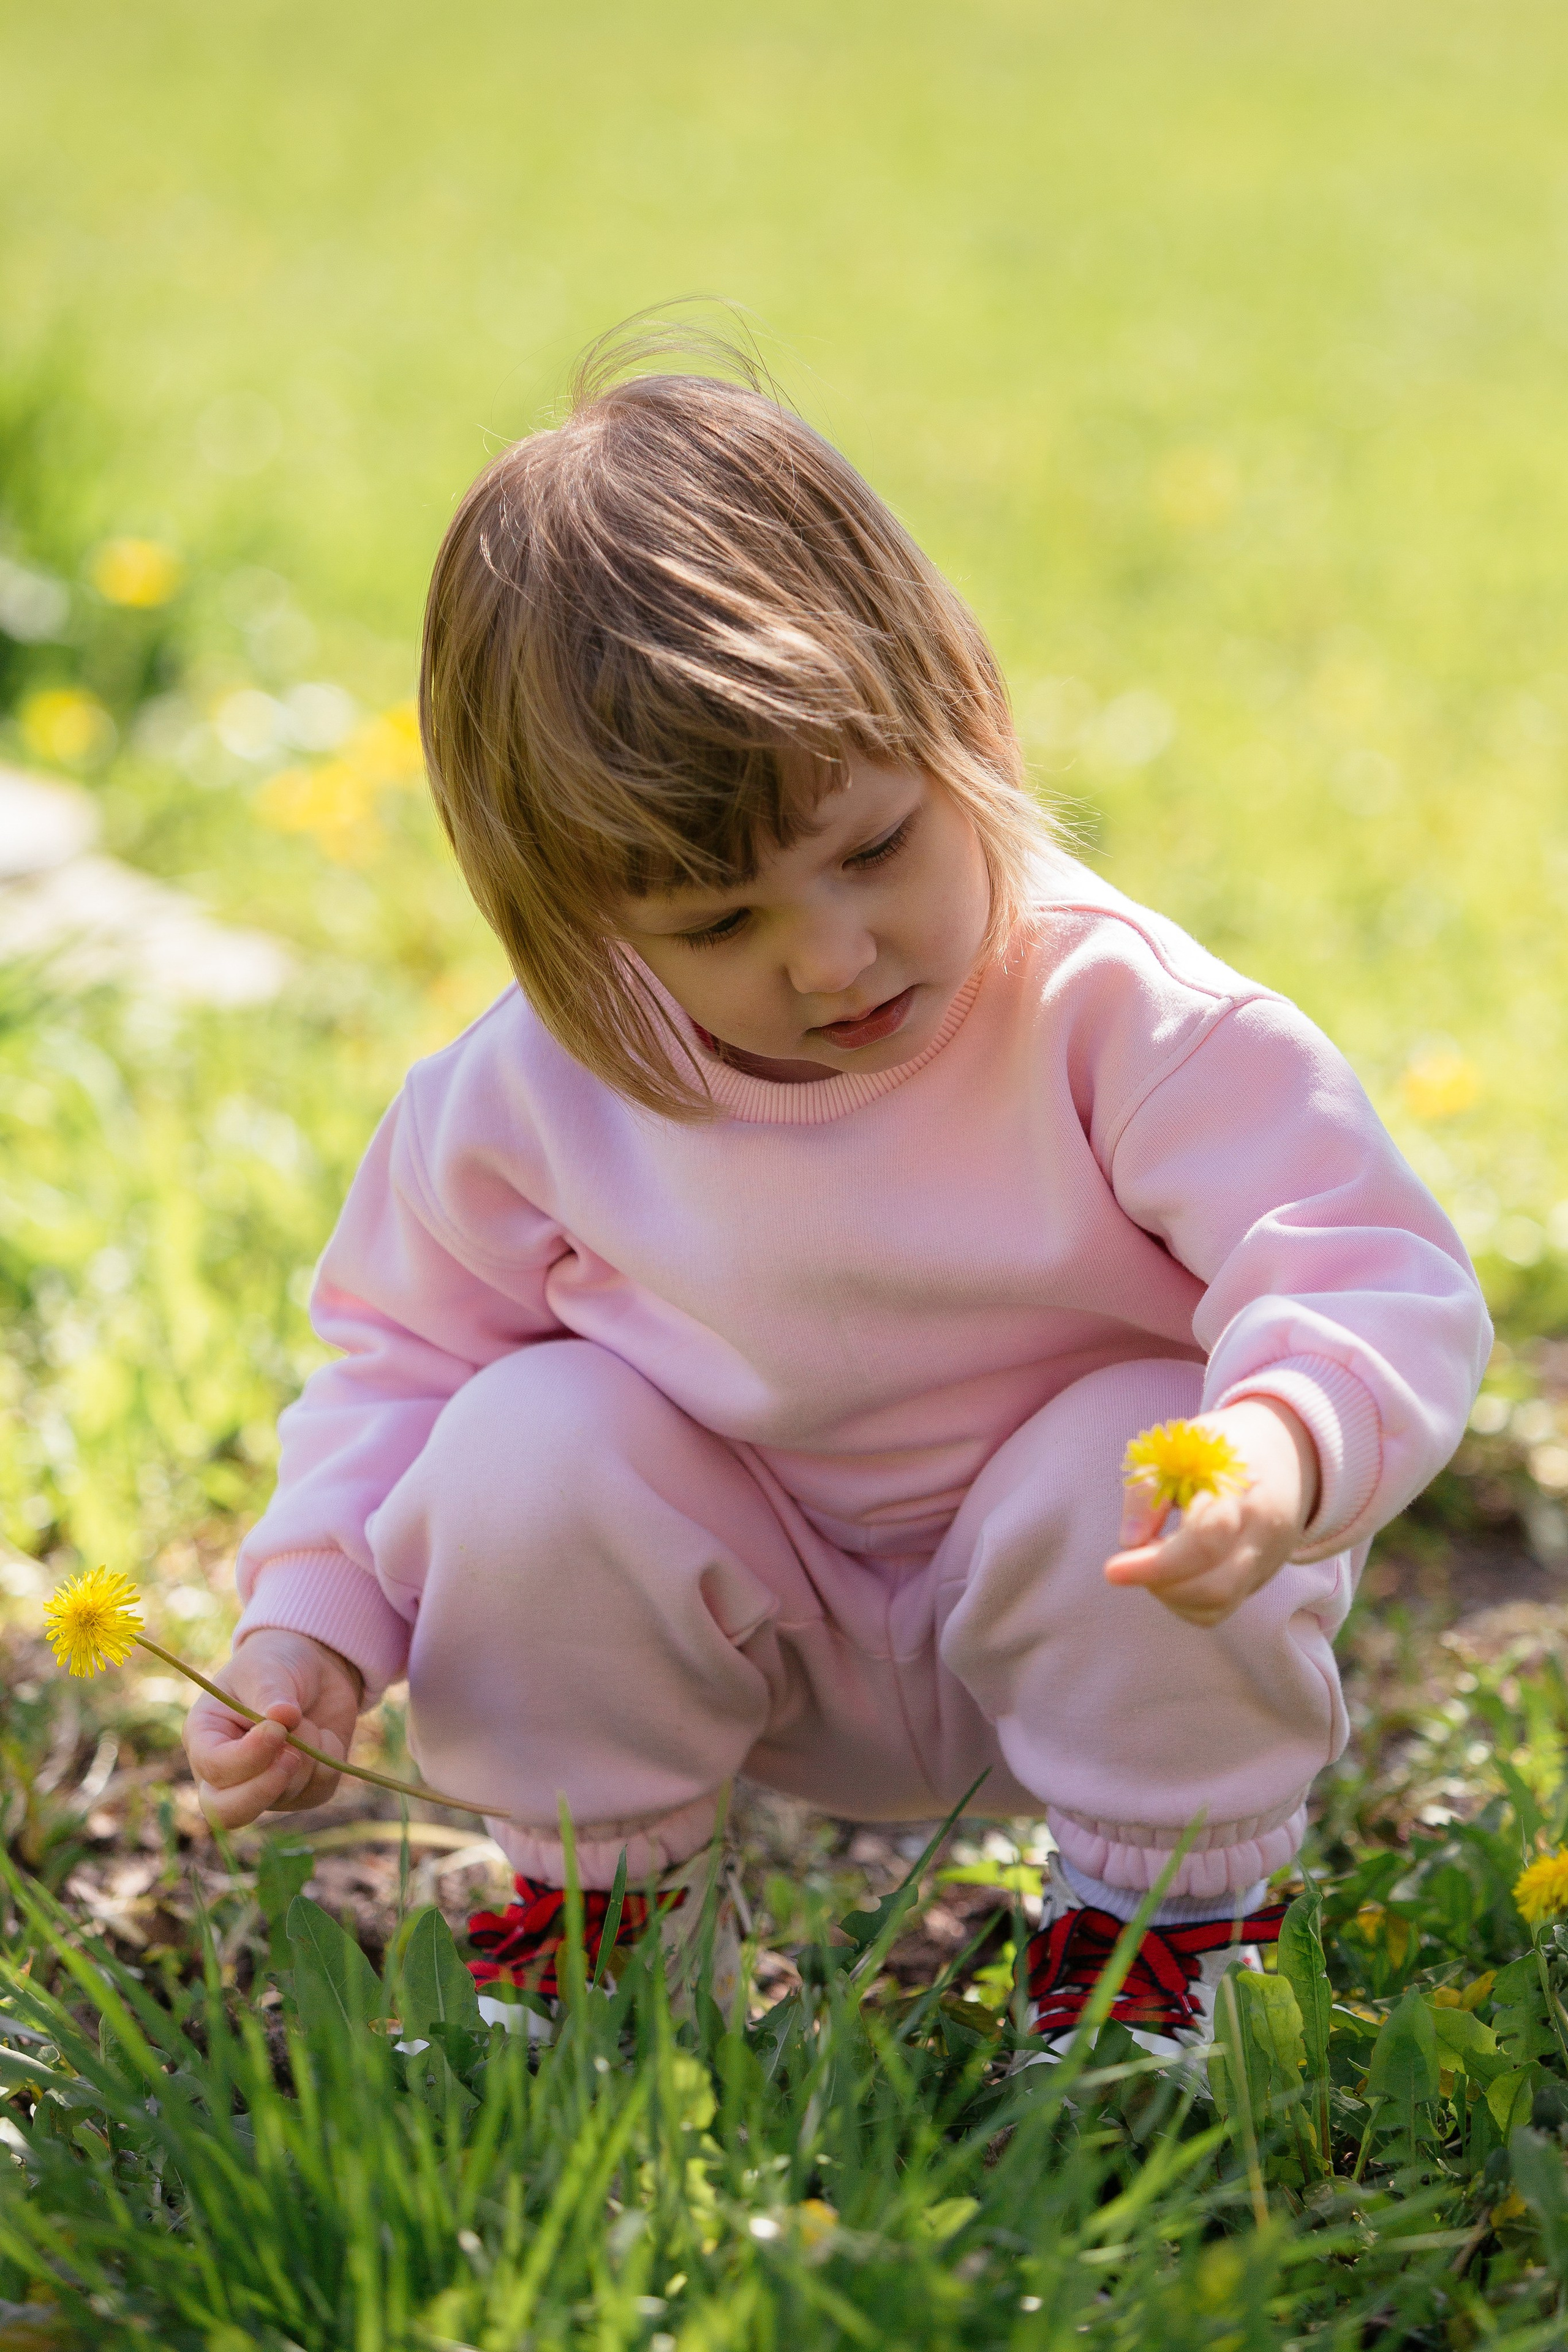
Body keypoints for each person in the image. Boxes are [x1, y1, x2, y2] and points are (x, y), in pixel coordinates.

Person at [183, 334, 1490, 2051]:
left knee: (1143, 1424)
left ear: (966, 718)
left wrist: (1279, 1448)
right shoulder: (530, 1097)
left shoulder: (1124, 1017)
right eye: (719, 926)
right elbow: (396, 1369)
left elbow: (1363, 1268)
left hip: (1111, 1589)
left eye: (875, 849)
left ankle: (1163, 1929)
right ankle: (612, 1905)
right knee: (522, 1435)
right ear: (572, 924)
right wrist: (313, 1623)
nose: (833, 956)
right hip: (755, 1602)